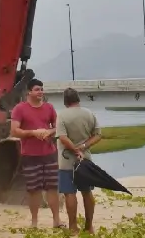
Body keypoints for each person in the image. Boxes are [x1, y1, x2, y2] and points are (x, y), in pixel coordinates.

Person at [10, 79, 62, 229]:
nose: (41, 92)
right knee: (34, 190)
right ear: (29, 92)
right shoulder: (19, 109)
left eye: (42, 89)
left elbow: (58, 127)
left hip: (49, 154)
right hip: (30, 156)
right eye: (37, 89)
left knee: (52, 188)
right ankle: (34, 222)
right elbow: (14, 131)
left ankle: (56, 221)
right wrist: (33, 132)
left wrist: (48, 132)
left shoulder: (49, 108)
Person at [56, 88, 102, 234]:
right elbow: (98, 135)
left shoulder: (62, 115)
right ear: (78, 99)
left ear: (65, 101)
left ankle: (73, 227)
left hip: (66, 160)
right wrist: (83, 147)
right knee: (87, 192)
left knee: (70, 193)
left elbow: (63, 138)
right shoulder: (89, 113)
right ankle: (89, 227)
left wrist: (75, 150)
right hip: (86, 160)